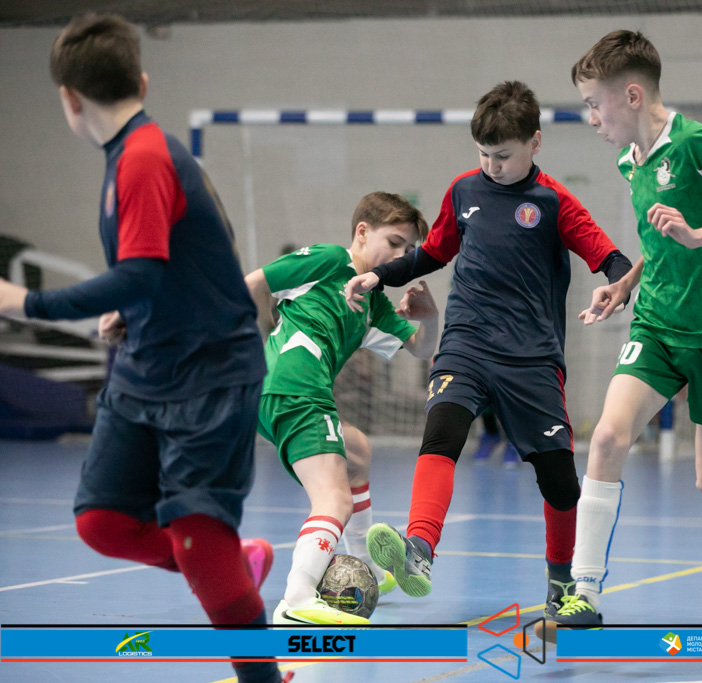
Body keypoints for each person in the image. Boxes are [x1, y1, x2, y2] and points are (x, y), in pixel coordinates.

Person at [0, 14, 285, 683]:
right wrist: (134, 310)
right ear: (142, 81)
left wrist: (23, 303)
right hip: (146, 370)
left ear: (69, 99)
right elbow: (171, 267)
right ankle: (235, 563)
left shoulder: (145, 156)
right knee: (101, 520)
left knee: (199, 540)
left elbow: (141, 272)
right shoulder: (129, 155)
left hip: (209, 377)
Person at [344, 81, 633, 619]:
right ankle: (419, 549)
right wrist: (378, 277)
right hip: (467, 343)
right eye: (483, 154)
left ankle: (561, 579)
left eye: (503, 155)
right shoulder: (463, 192)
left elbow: (608, 256)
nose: (492, 166)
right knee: (442, 433)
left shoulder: (554, 202)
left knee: (559, 482)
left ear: (535, 143)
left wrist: (619, 286)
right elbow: (431, 255)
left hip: (532, 358)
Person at [544, 30, 702, 636]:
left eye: (595, 104)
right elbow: (660, 243)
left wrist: (700, 235)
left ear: (631, 95)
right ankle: (583, 592)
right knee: (607, 438)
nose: (591, 117)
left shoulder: (695, 145)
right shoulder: (630, 161)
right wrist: (625, 283)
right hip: (657, 324)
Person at [245, 192, 439, 625]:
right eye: (394, 243)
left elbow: (421, 348)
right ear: (362, 232)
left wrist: (429, 318)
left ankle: (368, 568)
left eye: (409, 250)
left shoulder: (373, 302)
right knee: (333, 498)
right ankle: (296, 599)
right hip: (295, 387)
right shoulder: (331, 261)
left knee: (357, 451)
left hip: (292, 393)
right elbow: (253, 285)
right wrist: (265, 340)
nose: (401, 257)